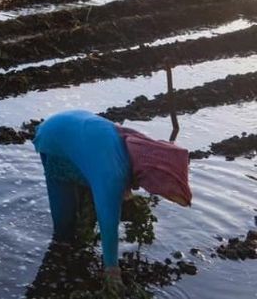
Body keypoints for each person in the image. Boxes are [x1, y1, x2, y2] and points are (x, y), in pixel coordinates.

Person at [34, 110, 192, 286]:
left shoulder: (138, 146)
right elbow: (108, 221)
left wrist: (125, 192)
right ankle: (58, 263)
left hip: (77, 129)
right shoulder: (112, 174)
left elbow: (122, 164)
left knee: (92, 182)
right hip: (54, 138)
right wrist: (112, 269)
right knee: (65, 225)